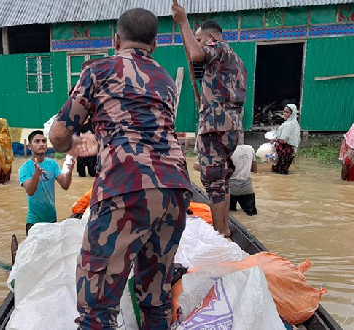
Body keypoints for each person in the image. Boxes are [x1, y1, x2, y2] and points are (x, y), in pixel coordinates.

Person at [49, 8, 191, 329]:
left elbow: (58, 135)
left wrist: (73, 146)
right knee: (156, 300)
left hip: (123, 187)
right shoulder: (166, 82)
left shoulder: (98, 71)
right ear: (154, 44)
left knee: (96, 309)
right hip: (176, 189)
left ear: (115, 39)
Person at [173, 5, 247, 237]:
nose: (200, 43)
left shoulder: (218, 47)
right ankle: (224, 229)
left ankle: (220, 232)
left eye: (200, 39)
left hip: (215, 124)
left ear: (211, 37)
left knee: (214, 180)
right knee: (222, 178)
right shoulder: (238, 60)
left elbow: (196, 55)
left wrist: (183, 22)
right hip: (232, 126)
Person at [19, 130, 73, 235]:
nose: (42, 144)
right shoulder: (24, 168)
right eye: (37, 141)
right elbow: (30, 191)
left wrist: (69, 171)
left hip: (52, 219)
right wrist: (36, 175)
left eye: (44, 141)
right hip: (34, 222)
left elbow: (65, 186)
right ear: (30, 146)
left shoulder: (52, 164)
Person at [228, 141, 257, 216]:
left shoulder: (227, 150)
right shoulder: (250, 149)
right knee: (251, 215)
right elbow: (255, 170)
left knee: (230, 215)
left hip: (231, 189)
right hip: (247, 188)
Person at [271, 104, 301, 175]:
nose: (284, 114)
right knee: (283, 172)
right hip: (289, 151)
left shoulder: (289, 124)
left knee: (278, 172)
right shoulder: (294, 123)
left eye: (287, 112)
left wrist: (273, 140)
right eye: (284, 112)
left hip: (284, 151)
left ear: (292, 113)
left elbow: (283, 140)